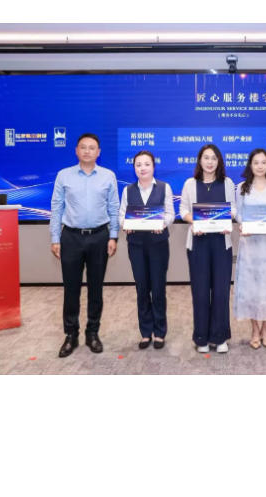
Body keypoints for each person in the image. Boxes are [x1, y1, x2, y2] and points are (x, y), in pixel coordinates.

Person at [50, 133, 119, 358]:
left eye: (92, 148)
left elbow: (114, 207)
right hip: (71, 237)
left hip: (100, 236)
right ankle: (71, 334)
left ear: (98, 152)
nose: (87, 151)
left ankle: (92, 333)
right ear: (76, 150)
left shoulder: (108, 176)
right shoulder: (64, 175)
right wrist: (55, 238)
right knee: (71, 289)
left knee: (96, 288)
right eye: (83, 147)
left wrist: (113, 236)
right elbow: (56, 208)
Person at [180, 144, 236, 354]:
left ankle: (219, 337)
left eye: (214, 158)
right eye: (206, 158)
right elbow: (183, 210)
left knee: (221, 292)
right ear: (200, 160)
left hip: (221, 242)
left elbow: (234, 208)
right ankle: (201, 337)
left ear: (219, 161)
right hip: (198, 243)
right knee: (201, 292)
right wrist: (195, 221)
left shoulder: (227, 183)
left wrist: (226, 218)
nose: (210, 162)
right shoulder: (190, 184)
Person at [118, 150, 174, 350]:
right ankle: (145, 332)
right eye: (138, 165)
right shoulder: (128, 190)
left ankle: (159, 332)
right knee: (142, 288)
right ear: (134, 168)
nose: (142, 168)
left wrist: (162, 223)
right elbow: (121, 215)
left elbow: (170, 213)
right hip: (136, 245)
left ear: (153, 166)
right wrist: (125, 224)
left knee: (158, 288)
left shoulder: (164, 187)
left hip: (158, 244)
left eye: (146, 164)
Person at [233, 149, 266, 349]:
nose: (260, 166)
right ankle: (254, 330)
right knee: (251, 287)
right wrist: (242, 224)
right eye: (256, 162)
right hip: (250, 244)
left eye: (263, 162)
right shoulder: (242, 188)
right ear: (250, 165)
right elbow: (238, 213)